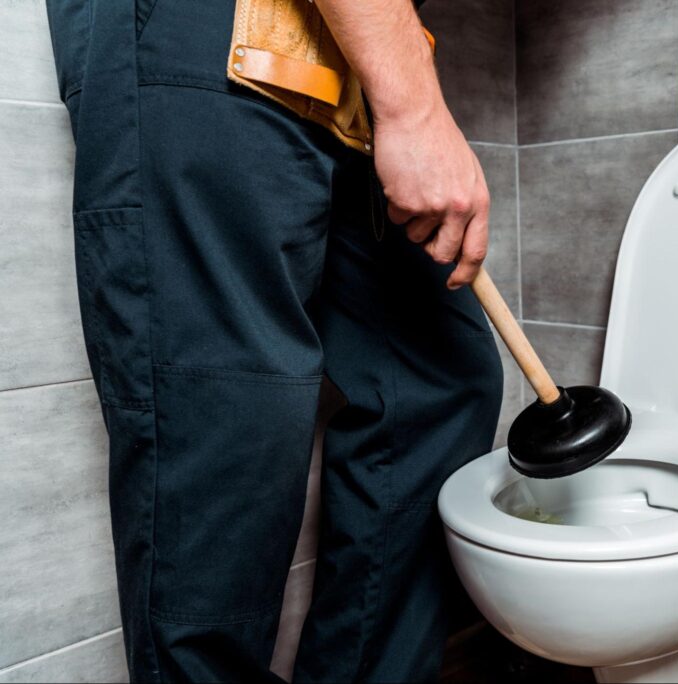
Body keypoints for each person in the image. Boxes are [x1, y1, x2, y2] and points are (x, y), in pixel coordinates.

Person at [44, 0, 503, 681]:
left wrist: (402, 89)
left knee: (440, 381)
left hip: (344, 53)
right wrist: (415, 108)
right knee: (225, 431)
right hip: (207, 30)